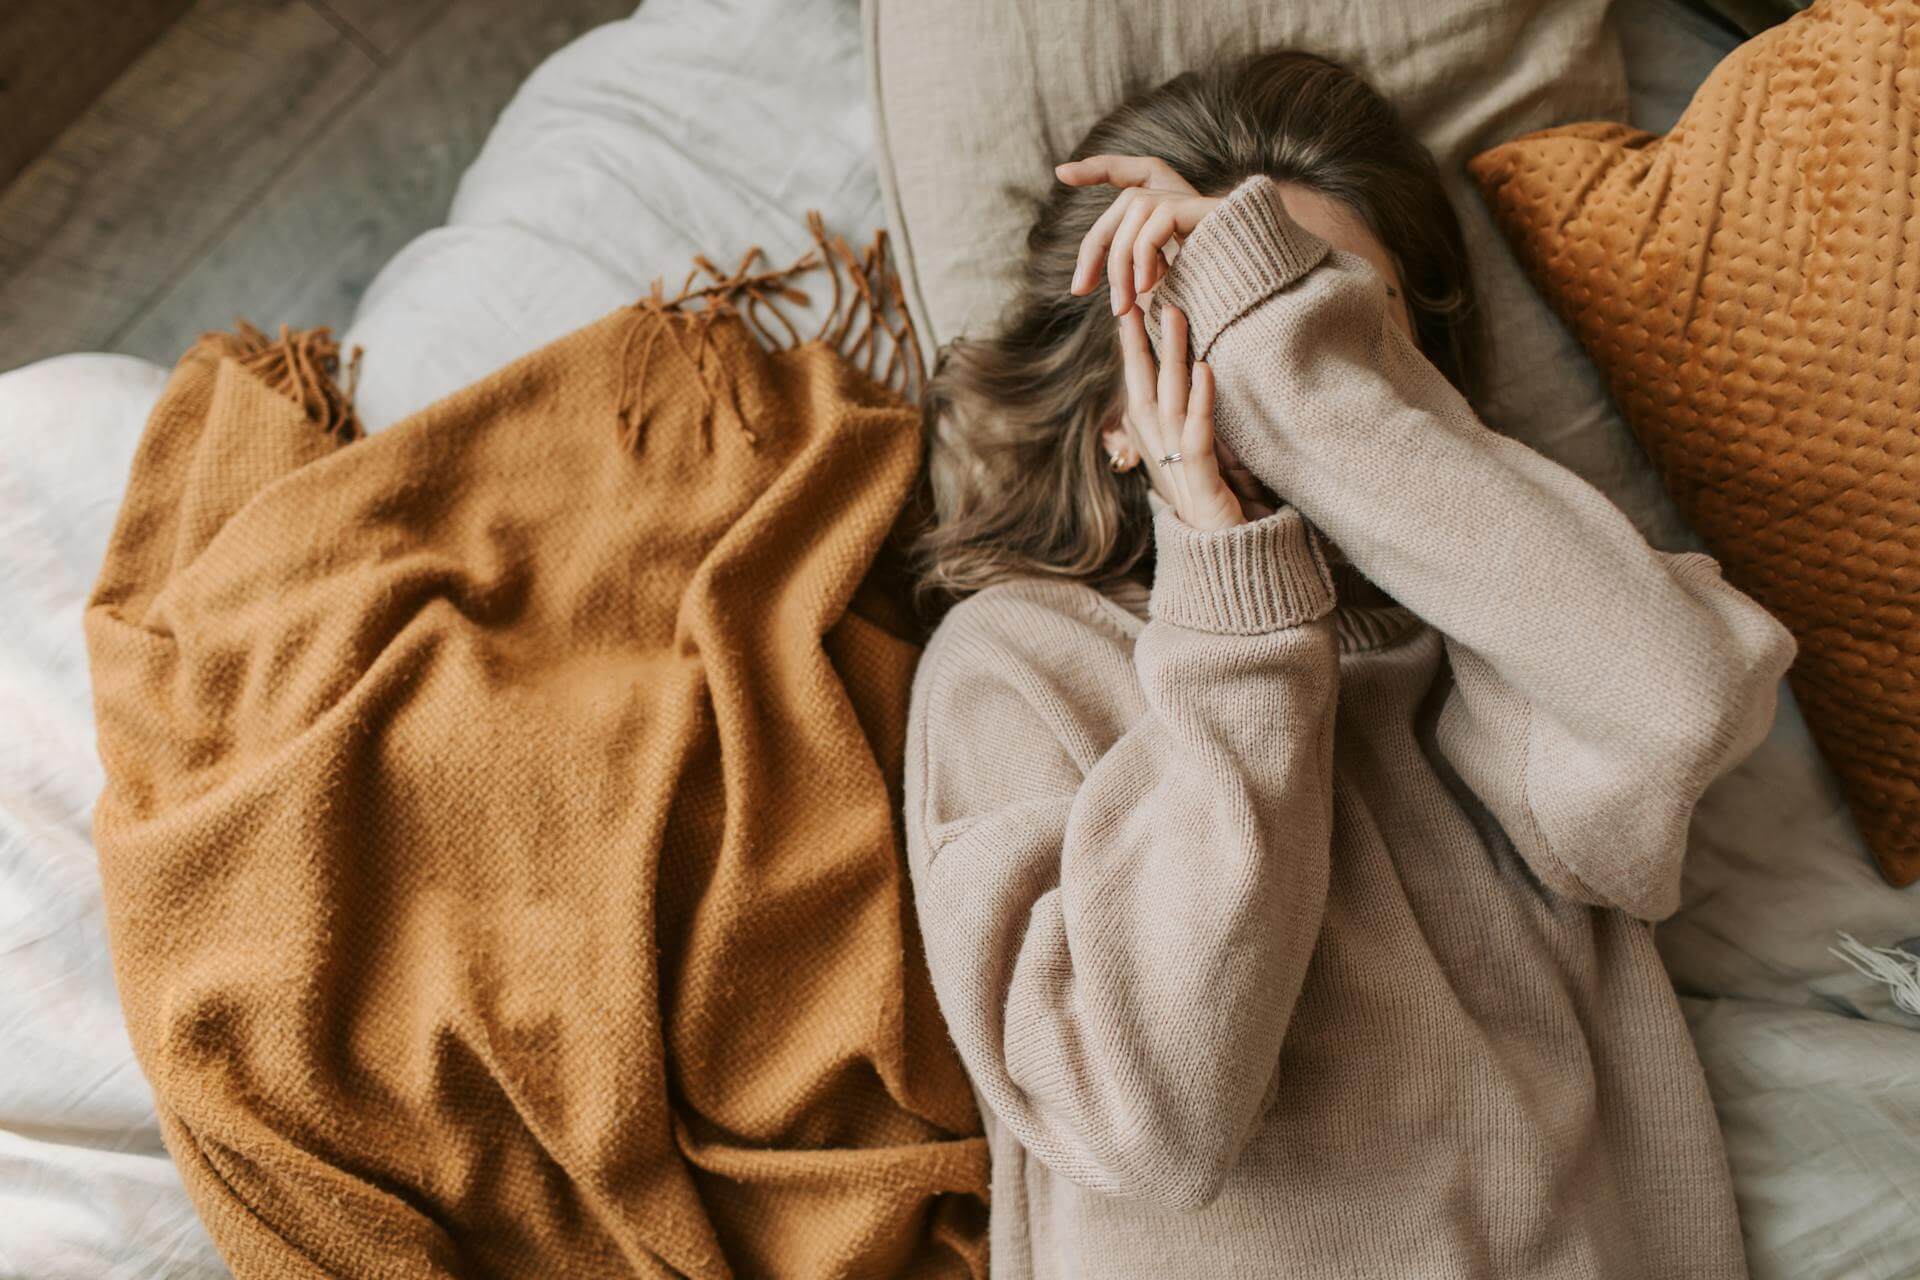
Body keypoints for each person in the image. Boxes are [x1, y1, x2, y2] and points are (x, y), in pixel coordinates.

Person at [900, 47, 1795, 1279]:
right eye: (1199, 324)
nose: (1253, 376)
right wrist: (1233, 619)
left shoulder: (1502, 646)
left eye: (1325, 327)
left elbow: (1684, 700)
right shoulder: (1016, 661)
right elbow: (1147, 1120)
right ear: (1113, 408)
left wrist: (1310, 388)